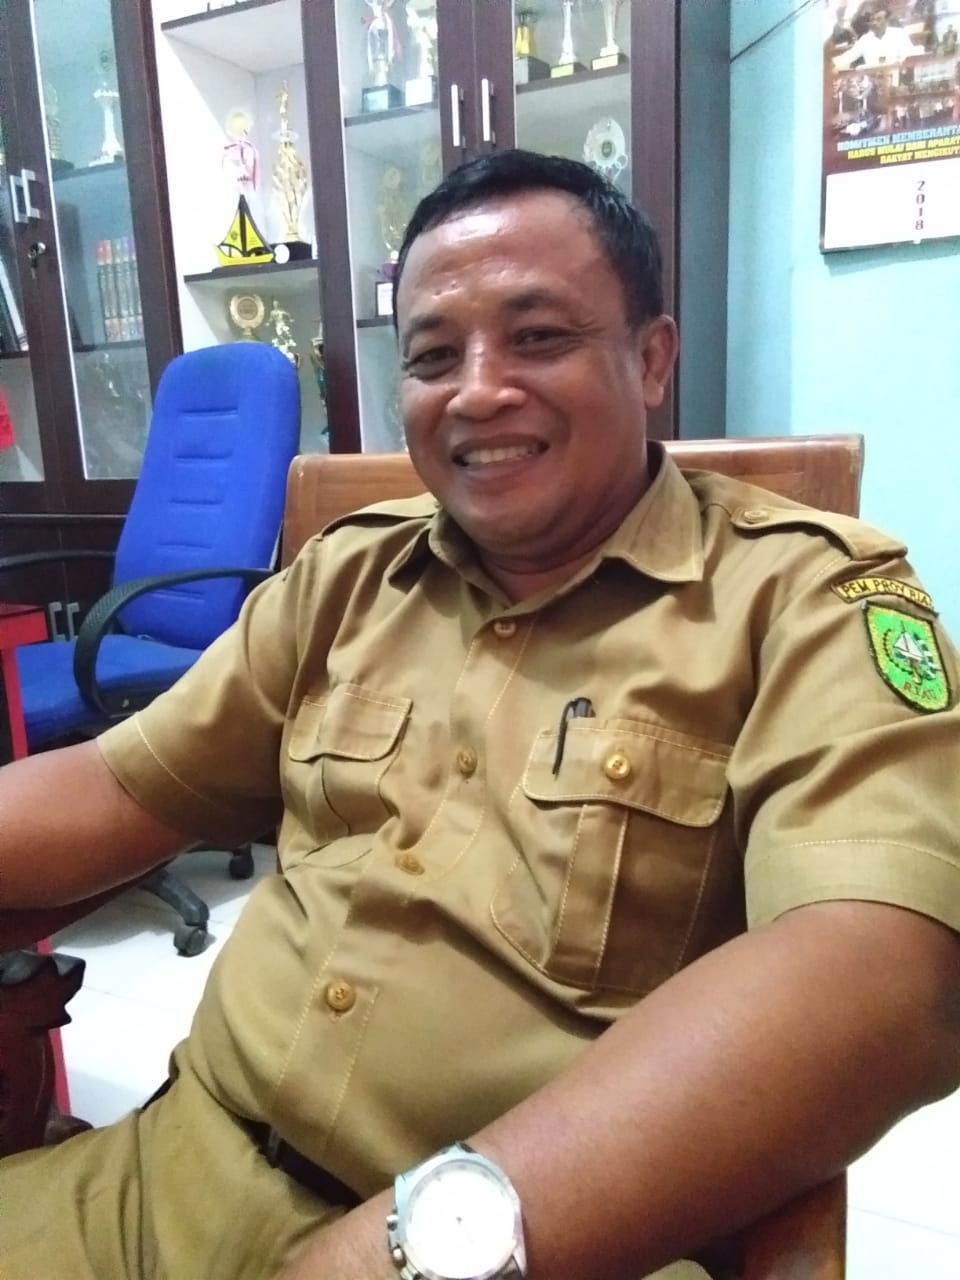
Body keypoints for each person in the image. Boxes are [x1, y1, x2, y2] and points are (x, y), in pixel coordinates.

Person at [2, 149, 959, 1280]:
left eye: (539, 337)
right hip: (170, 1174)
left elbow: (890, 972)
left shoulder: (805, 599)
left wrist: (405, 1249)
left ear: (652, 358)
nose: (476, 390)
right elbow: (120, 784)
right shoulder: (348, 576)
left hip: (522, 1246)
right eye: (432, 356)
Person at [832, 3, 920, 67]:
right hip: (873, 79)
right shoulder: (865, 39)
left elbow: (910, 54)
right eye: (873, 20)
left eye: (879, 19)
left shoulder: (899, 34)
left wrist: (899, 61)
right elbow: (848, 56)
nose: (874, 23)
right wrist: (830, 63)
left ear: (887, 21)